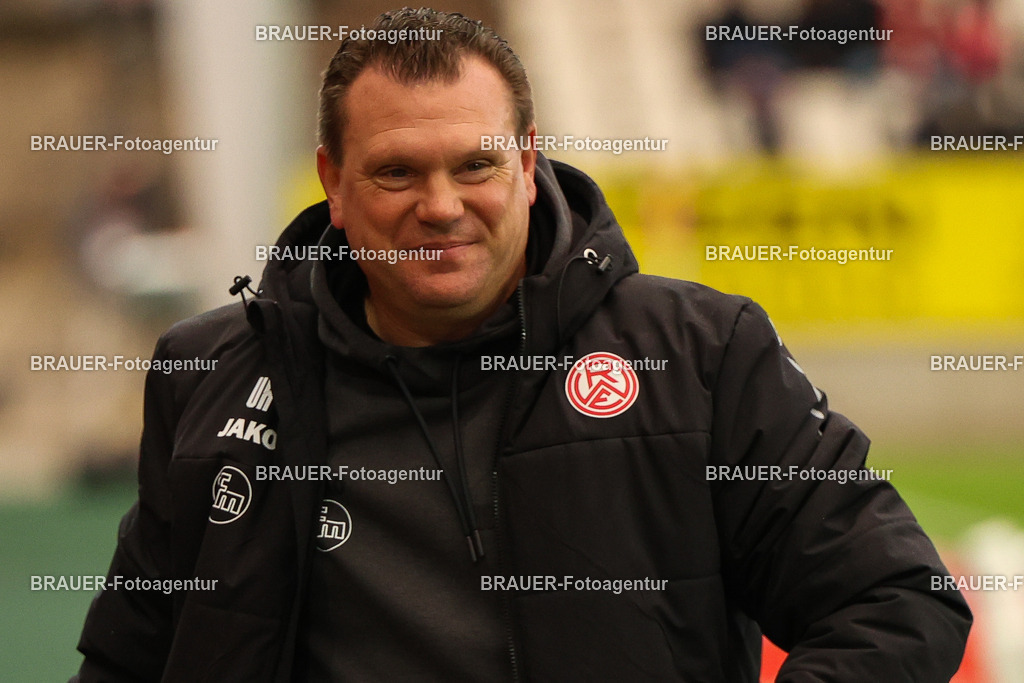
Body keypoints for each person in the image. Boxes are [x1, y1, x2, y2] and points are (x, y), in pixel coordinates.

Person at [74, 7, 971, 682]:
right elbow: (128, 658)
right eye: (396, 171)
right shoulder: (211, 376)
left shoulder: (699, 354)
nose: (441, 204)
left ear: (529, 164)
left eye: (475, 164)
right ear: (332, 183)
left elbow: (897, 602)